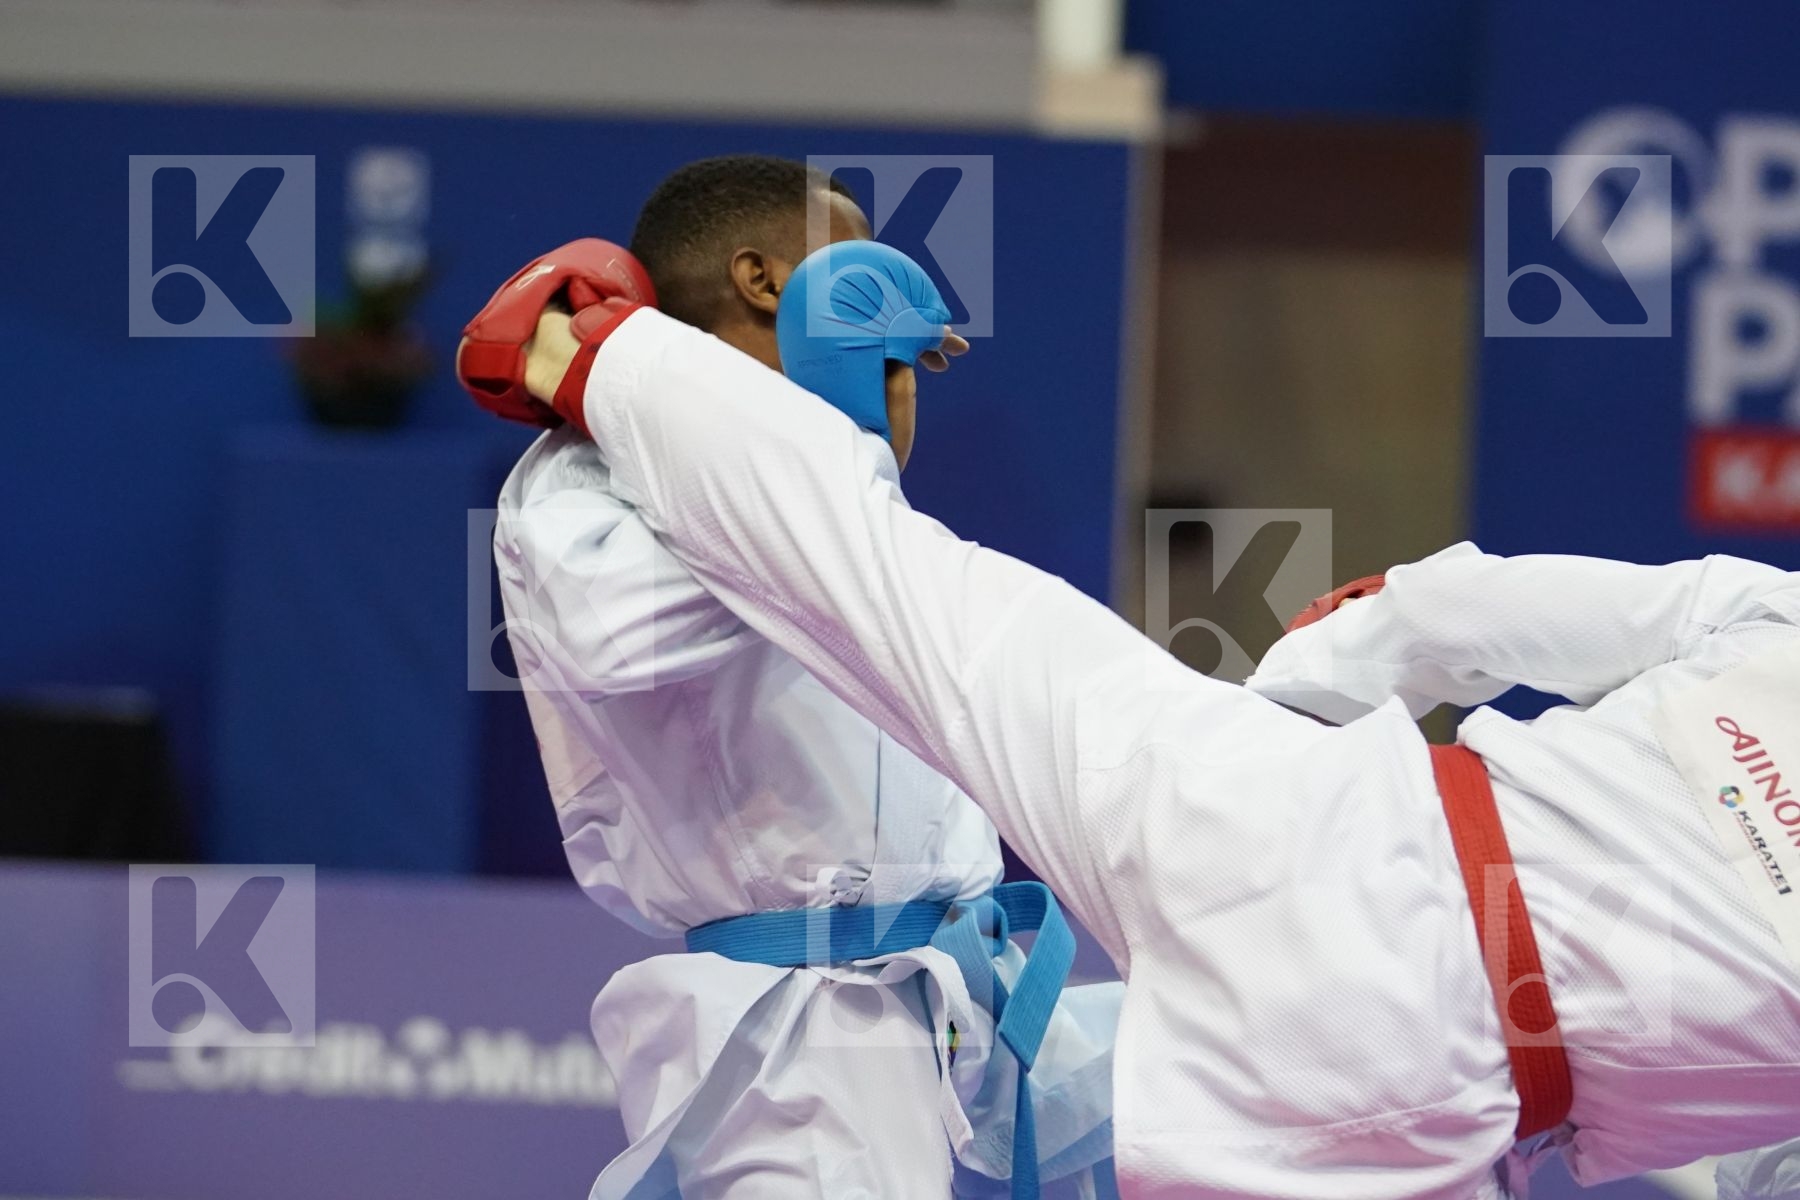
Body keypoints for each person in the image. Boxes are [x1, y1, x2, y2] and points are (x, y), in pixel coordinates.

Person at [485, 238, 1800, 1199]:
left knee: (909, 592)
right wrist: (1323, 686)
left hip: (1368, 943)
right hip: (1367, 928)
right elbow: (1459, 611)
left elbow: (1457, 611)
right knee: (916, 598)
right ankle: (597, 355)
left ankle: (594, 348)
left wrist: (1323, 680)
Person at [467, 156, 1118, 1200]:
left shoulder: (835, 485)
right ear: (768, 280)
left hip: (944, 1003)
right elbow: (613, 641)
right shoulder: (582, 475)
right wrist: (824, 447)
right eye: (853, 255)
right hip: (788, 1043)